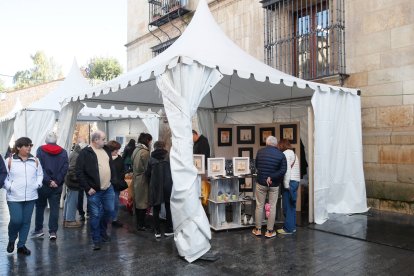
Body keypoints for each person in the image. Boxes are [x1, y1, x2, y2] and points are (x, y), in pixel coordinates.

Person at [76, 130, 116, 250]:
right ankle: (96, 239)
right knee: (96, 214)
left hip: (108, 188)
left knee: (109, 211)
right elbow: (79, 172)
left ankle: (103, 233)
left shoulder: (106, 150)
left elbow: (110, 166)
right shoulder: (85, 153)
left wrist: (113, 180)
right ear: (95, 140)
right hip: (94, 190)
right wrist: (88, 188)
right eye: (103, 139)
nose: (105, 141)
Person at [3, 137, 43, 255]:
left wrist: (38, 184)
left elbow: (40, 174)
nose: (29, 148)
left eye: (30, 145)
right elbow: (4, 176)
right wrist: (10, 187)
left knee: (26, 221)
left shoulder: (35, 160)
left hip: (31, 196)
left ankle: (21, 245)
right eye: (26, 146)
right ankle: (12, 239)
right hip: (14, 197)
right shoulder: (9, 160)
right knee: (16, 220)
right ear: (19, 147)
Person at [32, 132, 69, 240]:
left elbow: (39, 167)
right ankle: (53, 231)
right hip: (57, 186)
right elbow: (65, 167)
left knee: (39, 207)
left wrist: (48, 181)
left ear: (46, 140)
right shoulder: (63, 152)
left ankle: (39, 230)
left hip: (43, 185)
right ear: (56, 140)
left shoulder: (40, 150)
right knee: (54, 208)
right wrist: (56, 181)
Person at [252, 136, 287, 238]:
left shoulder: (260, 152)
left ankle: (258, 229)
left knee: (259, 206)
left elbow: (257, 165)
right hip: (274, 184)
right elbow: (283, 170)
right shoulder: (281, 155)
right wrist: (272, 176)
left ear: (266, 143)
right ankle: (269, 231)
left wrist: (267, 176)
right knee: (272, 207)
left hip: (261, 183)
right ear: (276, 144)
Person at [145, 141, 174, 238]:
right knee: (168, 207)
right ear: (164, 146)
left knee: (156, 208)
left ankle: (157, 231)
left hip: (155, 185)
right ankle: (168, 229)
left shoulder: (151, 158)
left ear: (154, 147)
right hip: (167, 184)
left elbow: (147, 173)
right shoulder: (169, 157)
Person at [277, 139, 300, 235]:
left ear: (282, 145)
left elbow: (287, 171)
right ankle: (292, 227)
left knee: (287, 206)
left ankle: (288, 229)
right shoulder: (294, 154)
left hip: (290, 182)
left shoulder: (286, 154)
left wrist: (286, 185)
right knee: (292, 206)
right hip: (295, 181)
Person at [63, 141, 87, 228]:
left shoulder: (75, 153)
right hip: (73, 182)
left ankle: (67, 218)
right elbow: (72, 169)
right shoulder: (77, 155)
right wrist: (78, 179)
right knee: (72, 201)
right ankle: (70, 220)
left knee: (69, 200)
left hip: (70, 181)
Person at [132, 132, 152, 231]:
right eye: (150, 141)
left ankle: (139, 223)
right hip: (143, 179)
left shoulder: (136, 150)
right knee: (143, 202)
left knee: (138, 201)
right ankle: (141, 224)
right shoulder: (145, 152)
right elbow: (148, 168)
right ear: (147, 140)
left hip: (136, 178)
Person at [105, 140, 127, 228]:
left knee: (115, 203)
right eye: (116, 150)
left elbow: (122, 171)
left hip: (116, 185)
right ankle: (106, 218)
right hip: (107, 184)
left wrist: (119, 179)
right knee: (107, 203)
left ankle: (114, 219)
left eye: (118, 150)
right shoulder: (105, 158)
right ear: (111, 150)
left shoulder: (120, 159)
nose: (117, 152)